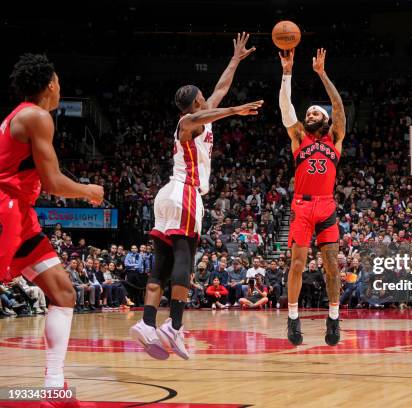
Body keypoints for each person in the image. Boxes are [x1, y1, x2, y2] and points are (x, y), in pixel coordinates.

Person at [130, 32, 263, 360]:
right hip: (184, 193)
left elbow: (220, 89)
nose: (209, 98)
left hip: (169, 195)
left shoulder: (202, 116)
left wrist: (235, 60)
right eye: (205, 98)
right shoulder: (188, 121)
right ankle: (174, 327)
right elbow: (205, 113)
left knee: (160, 265)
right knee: (184, 261)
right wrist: (237, 110)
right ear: (196, 103)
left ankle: (147, 323)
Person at [0, 54, 104, 391]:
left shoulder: (25, 115)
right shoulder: (36, 116)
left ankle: (54, 386)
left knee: (62, 292)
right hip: (4, 208)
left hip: (21, 213)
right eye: (58, 81)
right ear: (49, 85)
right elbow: (53, 183)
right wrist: (88, 190)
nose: (60, 86)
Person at [278, 48, 346, 346]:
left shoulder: (336, 138)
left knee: (332, 265)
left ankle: (334, 318)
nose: (309, 115)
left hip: (326, 205)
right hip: (303, 205)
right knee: (297, 264)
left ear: (326, 119)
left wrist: (322, 74)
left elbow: (338, 105)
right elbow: (286, 109)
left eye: (314, 112)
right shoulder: (298, 138)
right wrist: (287, 73)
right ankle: (293, 318)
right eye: (308, 113)